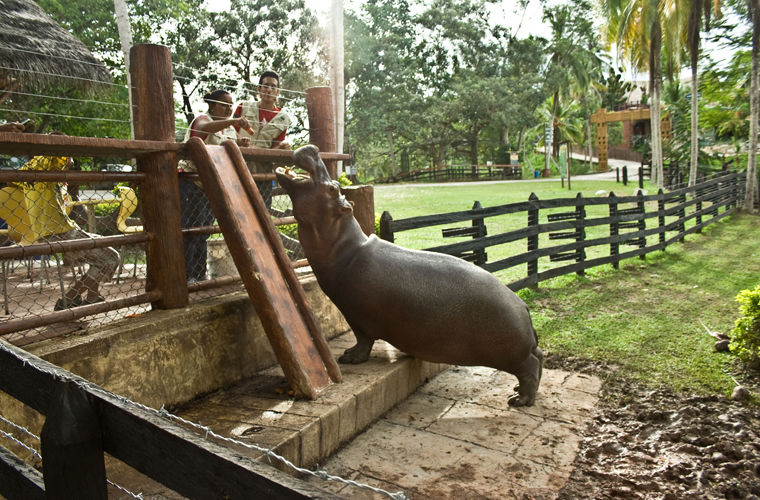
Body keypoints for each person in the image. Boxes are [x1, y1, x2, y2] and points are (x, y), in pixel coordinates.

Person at [12, 155, 119, 310]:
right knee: (111, 258)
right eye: (68, 159)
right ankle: (69, 298)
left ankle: (92, 296)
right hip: (61, 231)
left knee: (100, 246)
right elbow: (58, 156)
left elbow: (14, 181)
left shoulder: (30, 168)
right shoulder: (48, 160)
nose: (69, 163)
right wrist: (65, 156)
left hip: (53, 230)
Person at [178, 89, 250, 282]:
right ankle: (186, 275)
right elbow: (203, 129)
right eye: (224, 104)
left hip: (211, 185)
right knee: (191, 229)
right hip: (192, 182)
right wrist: (233, 121)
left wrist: (240, 143)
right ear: (212, 105)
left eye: (230, 105)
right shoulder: (202, 119)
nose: (229, 109)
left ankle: (199, 274)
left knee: (204, 230)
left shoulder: (227, 129)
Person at [233, 70, 293, 207]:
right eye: (266, 86)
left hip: (262, 172)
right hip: (238, 166)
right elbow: (231, 130)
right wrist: (239, 141)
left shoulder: (283, 119)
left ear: (278, 92)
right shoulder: (243, 107)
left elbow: (275, 147)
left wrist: (282, 148)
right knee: (238, 210)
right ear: (259, 89)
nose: (269, 90)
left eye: (273, 87)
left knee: (262, 210)